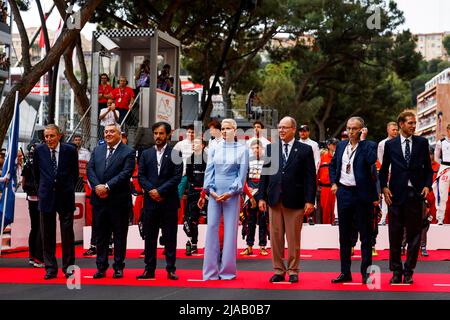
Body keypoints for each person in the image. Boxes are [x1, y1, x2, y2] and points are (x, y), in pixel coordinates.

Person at [258, 116, 316, 283]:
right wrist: (261, 197)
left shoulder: (305, 150)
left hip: (295, 201)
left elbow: (310, 178)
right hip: (274, 200)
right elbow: (265, 174)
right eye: (279, 127)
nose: (281, 130)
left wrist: (310, 200)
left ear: (293, 130)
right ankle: (278, 270)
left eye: (285, 127)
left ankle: (293, 270)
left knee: (293, 239)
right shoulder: (271, 149)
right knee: (275, 239)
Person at [379, 111, 433, 284]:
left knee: (414, 236)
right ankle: (396, 271)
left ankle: (409, 271)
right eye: (410, 123)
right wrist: (384, 188)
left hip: (415, 195)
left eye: (414, 123)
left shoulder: (422, 143)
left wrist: (426, 185)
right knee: (394, 235)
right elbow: (383, 170)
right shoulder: (391, 145)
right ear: (401, 124)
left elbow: (428, 169)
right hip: (395, 196)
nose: (413, 126)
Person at [198, 118, 249, 280]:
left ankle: (227, 271)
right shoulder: (214, 147)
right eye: (223, 128)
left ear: (235, 130)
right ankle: (211, 272)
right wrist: (210, 191)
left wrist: (231, 192)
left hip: (231, 195)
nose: (225, 131)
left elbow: (241, 176)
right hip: (214, 193)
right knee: (212, 228)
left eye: (228, 128)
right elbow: (209, 171)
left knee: (230, 231)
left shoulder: (243, 149)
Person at [329, 117, 378, 284]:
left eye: (354, 129)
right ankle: (345, 272)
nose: (350, 131)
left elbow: (371, 160)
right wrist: (334, 182)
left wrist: (363, 142)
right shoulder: (342, 145)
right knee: (344, 236)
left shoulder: (369, 145)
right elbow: (333, 165)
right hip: (344, 193)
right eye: (348, 128)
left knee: (365, 236)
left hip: (362, 194)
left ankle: (366, 273)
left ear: (362, 130)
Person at [87, 123, 135, 279]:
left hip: (118, 201)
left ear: (119, 134)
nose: (108, 134)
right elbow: (90, 170)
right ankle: (101, 267)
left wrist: (107, 187)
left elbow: (126, 173)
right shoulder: (97, 150)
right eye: (106, 131)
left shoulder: (128, 152)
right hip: (99, 200)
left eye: (111, 131)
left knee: (120, 235)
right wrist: (97, 187)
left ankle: (118, 267)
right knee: (101, 235)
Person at [136, 122, 183, 280]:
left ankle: (170, 269)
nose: (158, 136)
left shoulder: (176, 153)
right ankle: (149, 270)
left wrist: (160, 191)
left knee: (170, 237)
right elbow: (141, 176)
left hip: (168, 201)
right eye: (155, 133)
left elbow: (177, 176)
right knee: (150, 237)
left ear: (168, 135)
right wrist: (151, 191)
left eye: (161, 133)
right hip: (150, 202)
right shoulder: (145, 153)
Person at [33, 124, 78, 280]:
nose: (48, 139)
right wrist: (42, 191)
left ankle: (69, 268)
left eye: (51, 136)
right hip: (46, 197)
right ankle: (50, 268)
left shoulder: (70, 150)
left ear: (59, 136)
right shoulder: (39, 151)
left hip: (65, 196)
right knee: (47, 234)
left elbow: (75, 173)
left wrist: (67, 187)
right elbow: (36, 174)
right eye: (46, 136)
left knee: (67, 235)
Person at [240, 139, 269, 256]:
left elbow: (268, 179)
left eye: (258, 148)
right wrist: (247, 191)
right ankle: (249, 246)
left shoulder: (266, 161)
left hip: (262, 194)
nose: (256, 150)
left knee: (263, 221)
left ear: (262, 148)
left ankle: (263, 246)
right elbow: (243, 178)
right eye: (253, 148)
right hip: (250, 195)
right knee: (250, 221)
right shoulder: (247, 161)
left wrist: (265, 193)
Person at [21, 144, 44, 268]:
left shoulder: (27, 165)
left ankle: (32, 256)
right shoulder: (39, 164)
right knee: (39, 228)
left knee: (35, 227)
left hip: (32, 198)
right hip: (38, 198)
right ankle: (38, 258)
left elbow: (24, 184)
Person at [184, 137, 207, 255]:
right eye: (193, 143)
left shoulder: (208, 158)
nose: (194, 144)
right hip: (193, 192)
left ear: (203, 145)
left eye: (197, 143)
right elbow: (188, 175)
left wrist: (205, 190)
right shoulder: (189, 159)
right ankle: (193, 244)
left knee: (212, 220)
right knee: (192, 219)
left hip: (207, 192)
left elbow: (209, 175)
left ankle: (213, 245)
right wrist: (193, 186)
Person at [377, 121, 399, 225]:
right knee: (385, 194)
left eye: (396, 130)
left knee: (398, 194)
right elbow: (381, 159)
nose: (395, 132)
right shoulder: (382, 144)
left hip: (398, 172)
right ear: (388, 130)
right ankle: (383, 218)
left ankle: (397, 219)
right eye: (393, 130)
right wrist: (387, 170)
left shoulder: (400, 142)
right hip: (387, 172)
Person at [298, 124, 321, 224]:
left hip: (309, 173)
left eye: (305, 130)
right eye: (301, 131)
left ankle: (310, 216)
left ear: (308, 132)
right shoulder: (295, 143)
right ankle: (300, 216)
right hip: (298, 174)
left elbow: (317, 160)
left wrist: (312, 173)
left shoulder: (314, 144)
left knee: (310, 193)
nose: (302, 132)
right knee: (298, 193)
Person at [432, 123, 450, 225]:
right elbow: (436, 157)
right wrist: (444, 165)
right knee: (442, 193)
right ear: (447, 130)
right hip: (444, 168)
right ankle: (440, 218)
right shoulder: (441, 142)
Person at [174, 124, 195, 200]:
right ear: (186, 133)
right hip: (183, 174)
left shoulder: (199, 144)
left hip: (194, 176)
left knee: (192, 197)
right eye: (189, 132)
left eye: (193, 132)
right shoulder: (180, 144)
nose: (190, 134)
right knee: (178, 196)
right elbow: (172, 158)